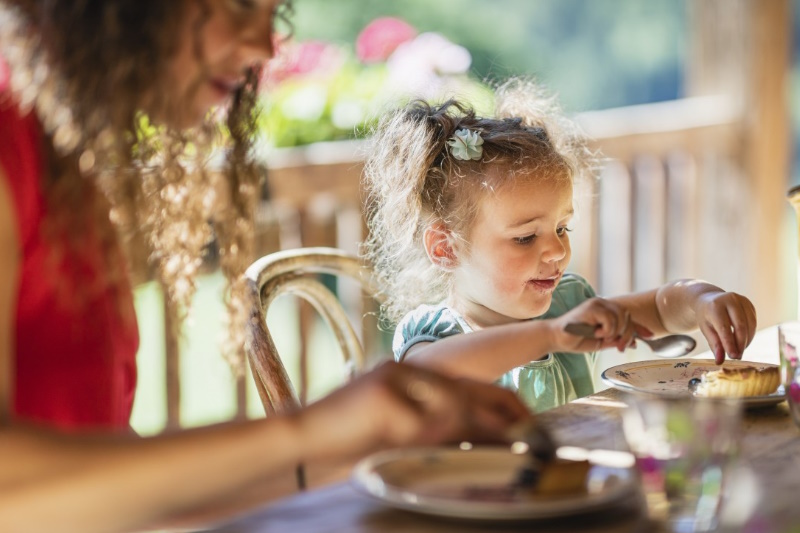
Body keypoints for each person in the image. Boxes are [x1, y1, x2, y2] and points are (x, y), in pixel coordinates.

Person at [0, 1, 533, 531]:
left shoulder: (65, 155)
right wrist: (309, 431)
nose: (262, 45)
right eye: (238, 5)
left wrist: (365, 456)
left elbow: (110, 488)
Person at [363, 80, 758, 412]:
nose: (556, 252)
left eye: (562, 228)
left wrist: (703, 299)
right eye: (525, 237)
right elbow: (420, 379)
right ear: (446, 248)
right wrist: (550, 335)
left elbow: (658, 308)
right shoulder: (436, 337)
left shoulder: (569, 303)